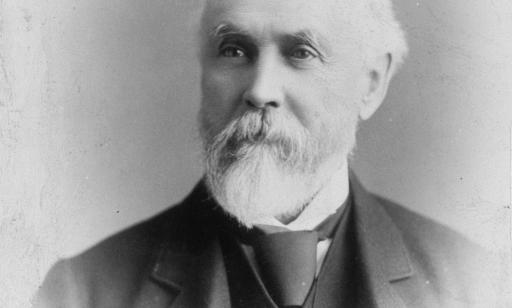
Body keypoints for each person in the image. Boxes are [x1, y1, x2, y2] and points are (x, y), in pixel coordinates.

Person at [34, 0, 507, 307]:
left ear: (372, 82)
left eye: (301, 52)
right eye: (234, 50)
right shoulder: (82, 292)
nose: (260, 90)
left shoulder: (474, 285)